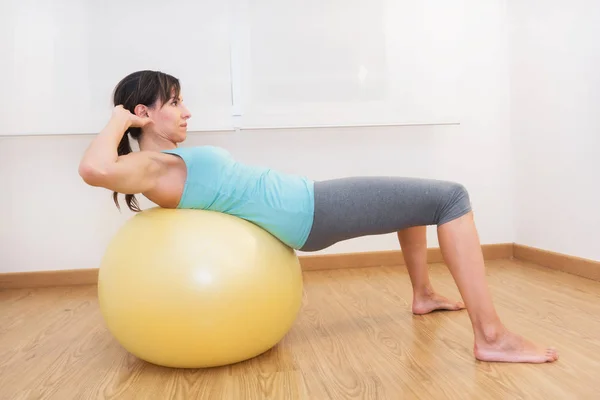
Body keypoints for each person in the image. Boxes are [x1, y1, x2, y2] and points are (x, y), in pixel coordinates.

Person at [79, 70, 558, 363]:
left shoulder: (160, 164)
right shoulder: (150, 166)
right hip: (313, 210)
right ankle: (492, 336)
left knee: (414, 199)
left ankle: (424, 294)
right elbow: (95, 168)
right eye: (176, 101)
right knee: (450, 198)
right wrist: (121, 118)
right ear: (145, 112)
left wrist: (130, 121)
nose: (187, 111)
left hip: (308, 204)